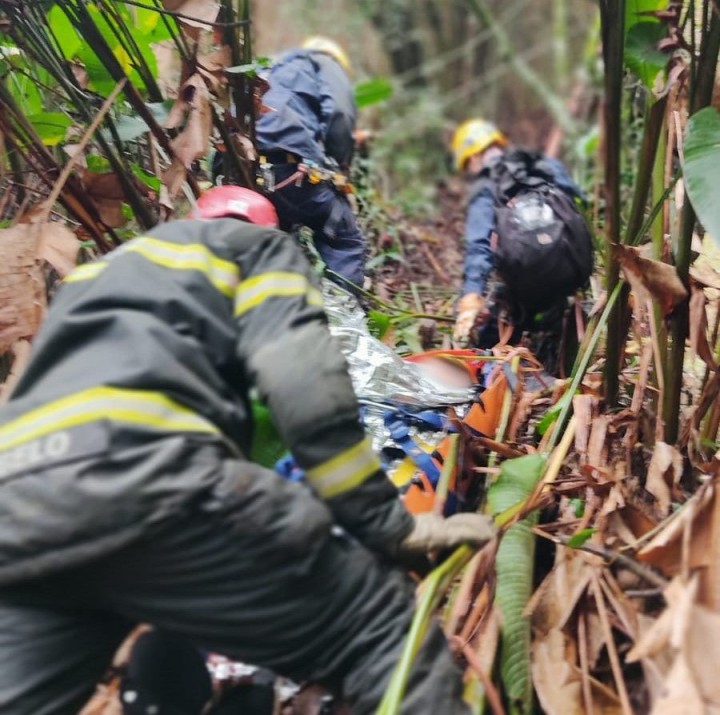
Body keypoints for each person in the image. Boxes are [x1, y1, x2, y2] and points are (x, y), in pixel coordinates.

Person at [0, 185, 496, 715]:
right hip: (150, 479)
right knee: (373, 627)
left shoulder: (98, 274)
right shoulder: (255, 251)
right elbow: (305, 388)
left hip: (18, 511)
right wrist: (384, 525)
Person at [451, 119, 590, 373]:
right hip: (572, 266)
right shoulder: (544, 163)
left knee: (492, 336)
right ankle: (562, 362)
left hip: (524, 280)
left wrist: (471, 297)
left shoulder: (486, 183)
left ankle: (486, 372)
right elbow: (579, 201)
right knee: (554, 311)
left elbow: (479, 245)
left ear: (474, 156)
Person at [254, 36, 367, 290]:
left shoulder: (267, 68)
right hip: (290, 168)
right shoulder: (323, 62)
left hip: (243, 167)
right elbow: (340, 114)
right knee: (343, 237)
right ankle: (343, 312)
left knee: (275, 241)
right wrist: (339, 163)